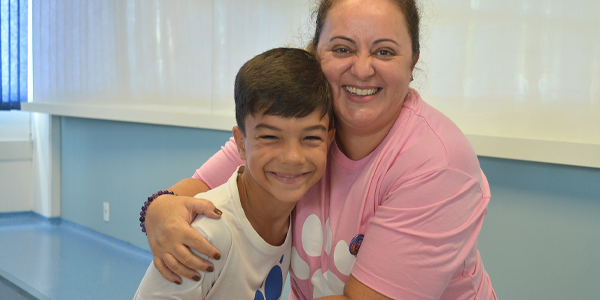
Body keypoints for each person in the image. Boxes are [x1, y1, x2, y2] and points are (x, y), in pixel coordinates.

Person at [143, 0, 497, 299]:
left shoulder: (437, 161)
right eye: (342, 49)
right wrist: (161, 209)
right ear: (315, 54)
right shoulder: (301, 128)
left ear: (412, 62)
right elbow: (194, 190)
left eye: (384, 51)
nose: (361, 69)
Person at [134, 47, 335, 299]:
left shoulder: (289, 216)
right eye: (271, 137)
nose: (292, 157)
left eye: (310, 137)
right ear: (241, 143)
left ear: (329, 140)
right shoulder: (207, 235)